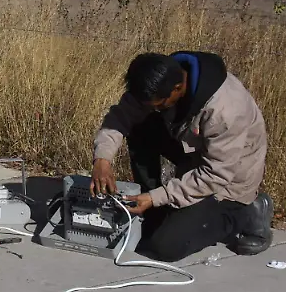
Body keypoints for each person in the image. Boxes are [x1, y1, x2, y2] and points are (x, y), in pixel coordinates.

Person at [91, 51, 274, 262]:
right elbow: (120, 118)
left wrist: (157, 197)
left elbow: (215, 175)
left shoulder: (225, 110)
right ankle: (154, 214)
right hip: (193, 154)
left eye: (159, 105)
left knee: (165, 247)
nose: (156, 109)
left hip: (227, 181)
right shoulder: (155, 80)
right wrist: (102, 160)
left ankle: (248, 212)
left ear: (177, 89)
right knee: (140, 126)